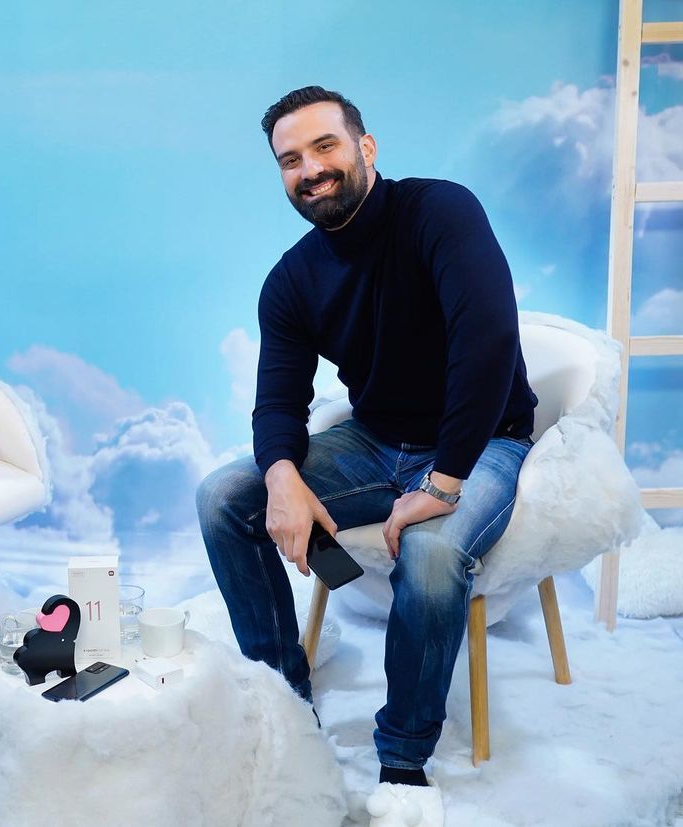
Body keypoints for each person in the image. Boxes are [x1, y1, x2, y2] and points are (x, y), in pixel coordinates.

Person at [196, 87, 537, 824]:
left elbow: (487, 342)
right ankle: (285, 708)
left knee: (434, 553)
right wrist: (282, 478)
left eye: (324, 146)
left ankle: (404, 761)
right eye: (290, 160)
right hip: (374, 442)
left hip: (482, 440)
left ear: (366, 147)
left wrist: (443, 481)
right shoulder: (291, 280)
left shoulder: (441, 211)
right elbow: (277, 401)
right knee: (224, 496)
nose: (310, 169)